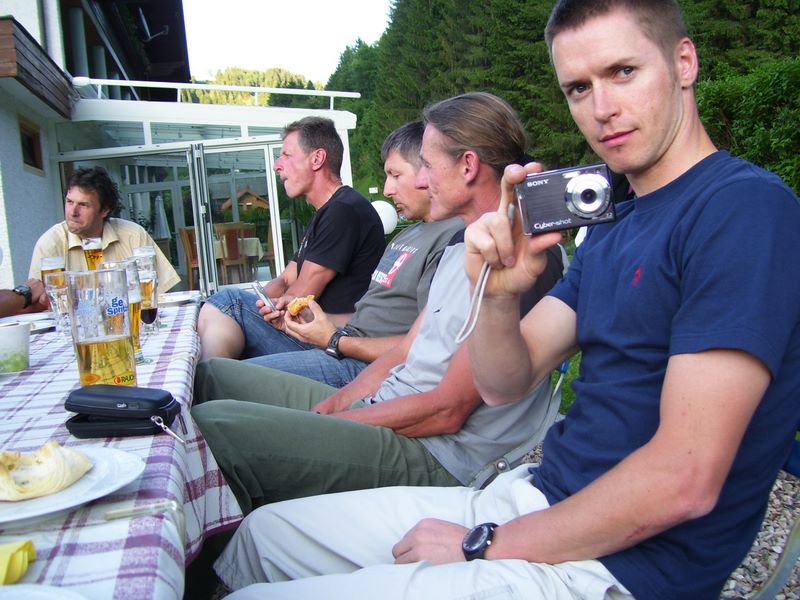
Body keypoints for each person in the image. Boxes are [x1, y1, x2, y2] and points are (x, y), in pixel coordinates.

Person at [212, 2, 800, 599]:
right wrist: (497, 294)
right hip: (537, 501)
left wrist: (483, 544)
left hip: (614, 567)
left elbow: (685, 478)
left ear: (684, 62)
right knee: (265, 538)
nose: (601, 108)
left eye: (623, 72)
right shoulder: (618, 224)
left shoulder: (742, 211)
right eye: (578, 87)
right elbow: (503, 382)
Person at [191, 92, 564, 517]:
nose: (420, 181)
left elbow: (448, 411)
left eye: (427, 166)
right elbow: (406, 350)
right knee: (211, 377)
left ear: (467, 165)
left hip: (438, 453)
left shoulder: (524, 258)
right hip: (389, 405)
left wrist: (330, 423)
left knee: (218, 430)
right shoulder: (460, 243)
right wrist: (339, 402)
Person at [238, 121, 463, 387]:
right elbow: (363, 317)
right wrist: (310, 320)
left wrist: (335, 340)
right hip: (343, 342)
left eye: (395, 175)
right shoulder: (407, 235)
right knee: (223, 350)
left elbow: (429, 346)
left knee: (221, 369)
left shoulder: (452, 239)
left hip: (363, 365)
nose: (387, 190)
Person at [197, 117, 386, 360]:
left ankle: (211, 375)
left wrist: (255, 308)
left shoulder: (343, 211)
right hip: (307, 333)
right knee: (228, 306)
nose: (277, 166)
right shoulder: (326, 212)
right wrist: (260, 303)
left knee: (228, 302)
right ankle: (215, 371)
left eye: (286, 155)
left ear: (317, 159)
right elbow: (286, 279)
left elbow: (300, 297)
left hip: (331, 343)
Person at [29, 166, 180, 291]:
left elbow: (162, 291)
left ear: (105, 210)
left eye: (83, 205)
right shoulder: (50, 243)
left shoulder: (133, 235)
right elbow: (38, 301)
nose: (72, 212)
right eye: (69, 202)